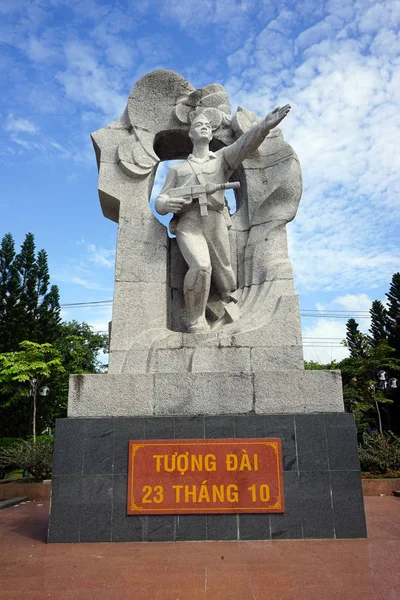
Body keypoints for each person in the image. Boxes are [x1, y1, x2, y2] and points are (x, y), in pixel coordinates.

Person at [155, 105, 291, 333]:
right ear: (190, 133)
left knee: (226, 277)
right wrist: (165, 204)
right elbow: (162, 198)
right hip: (189, 223)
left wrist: (264, 127)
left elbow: (244, 145)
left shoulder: (220, 159)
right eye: (199, 125)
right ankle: (195, 320)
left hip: (216, 220)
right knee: (200, 267)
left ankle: (227, 315)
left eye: (208, 125)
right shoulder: (178, 170)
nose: (205, 127)